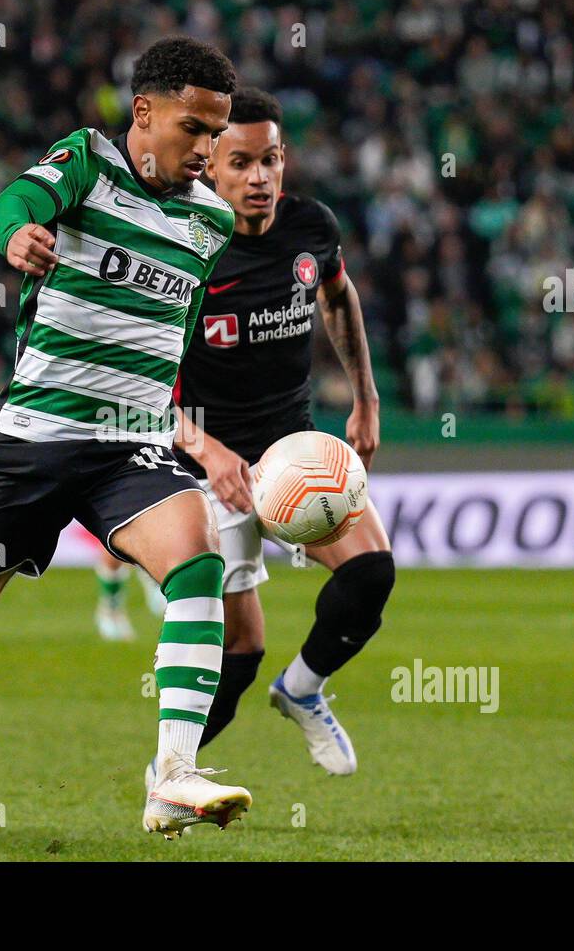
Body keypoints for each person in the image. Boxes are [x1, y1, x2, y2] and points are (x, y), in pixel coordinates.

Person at [0, 37, 251, 839]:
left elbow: (175, 342)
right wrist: (17, 237)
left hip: (130, 443)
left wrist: (190, 433)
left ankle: (171, 775)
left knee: (200, 562)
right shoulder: (87, 163)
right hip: (35, 439)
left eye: (217, 132)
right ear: (144, 113)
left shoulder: (211, 222)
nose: (207, 149)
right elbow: (8, 206)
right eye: (193, 128)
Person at [155, 87, 396, 783]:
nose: (259, 178)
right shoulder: (183, 251)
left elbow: (338, 296)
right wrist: (205, 448)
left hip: (292, 451)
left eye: (271, 160)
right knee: (238, 654)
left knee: (370, 572)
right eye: (241, 163)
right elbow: (141, 380)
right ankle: (171, 775)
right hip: (203, 466)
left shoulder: (311, 228)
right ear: (210, 167)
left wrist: (366, 398)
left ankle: (302, 689)